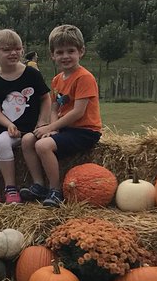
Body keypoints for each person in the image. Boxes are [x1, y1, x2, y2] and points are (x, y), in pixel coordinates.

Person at [21, 24, 103, 206]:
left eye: (71, 51)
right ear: (52, 55)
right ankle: (39, 185)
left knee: (43, 145)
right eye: (60, 52)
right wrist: (52, 129)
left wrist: (51, 128)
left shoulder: (84, 77)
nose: (65, 56)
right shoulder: (57, 80)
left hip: (85, 130)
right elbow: (54, 108)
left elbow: (78, 112)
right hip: (66, 128)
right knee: (27, 140)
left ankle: (55, 190)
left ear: (81, 51)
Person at [0, 29, 52, 206]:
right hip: (0, 124)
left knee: (1, 143)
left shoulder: (32, 74)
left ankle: (10, 188)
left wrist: (42, 122)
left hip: (23, 127)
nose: (13, 53)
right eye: (7, 49)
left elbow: (46, 98)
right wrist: (8, 124)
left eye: (17, 48)